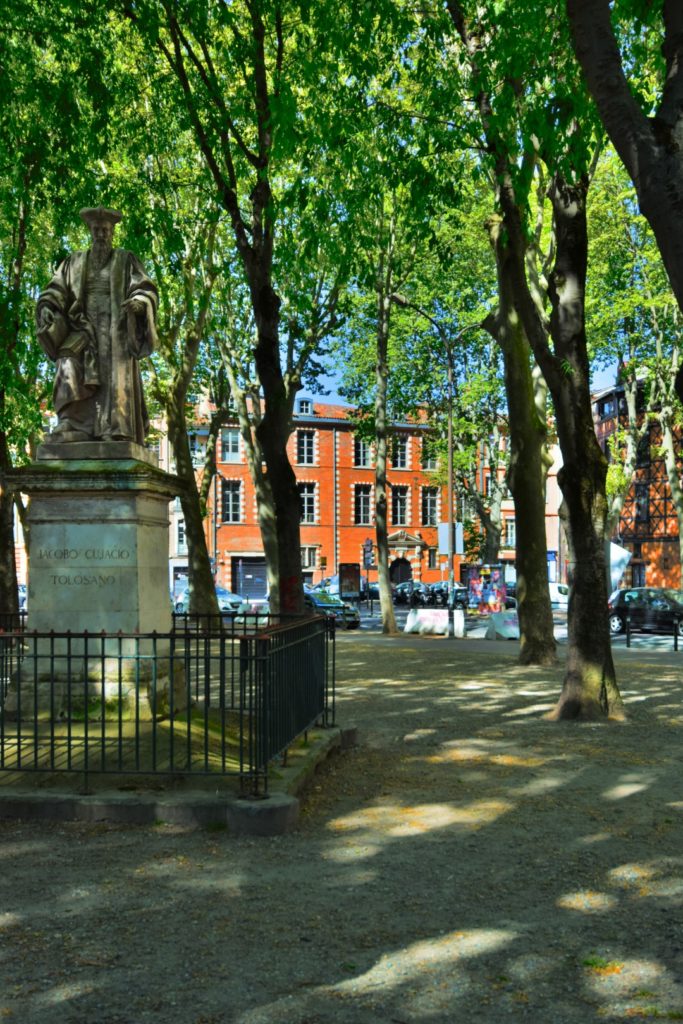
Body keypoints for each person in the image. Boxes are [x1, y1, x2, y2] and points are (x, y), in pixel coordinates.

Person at [36, 206, 158, 445]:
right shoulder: (75, 262)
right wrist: (48, 306)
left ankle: (114, 429)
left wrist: (139, 303)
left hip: (116, 329)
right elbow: (55, 290)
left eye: (105, 230)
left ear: (112, 233)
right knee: (67, 361)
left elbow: (145, 289)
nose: (101, 234)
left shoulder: (125, 260)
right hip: (81, 327)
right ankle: (72, 423)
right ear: (90, 232)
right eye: (96, 230)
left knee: (115, 375)